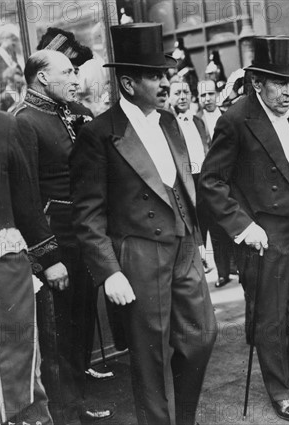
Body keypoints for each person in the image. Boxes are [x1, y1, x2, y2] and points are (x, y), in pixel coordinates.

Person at [70, 23, 217, 425]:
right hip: (139, 252)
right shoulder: (99, 135)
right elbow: (87, 214)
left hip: (184, 244)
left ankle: (180, 418)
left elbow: (184, 188)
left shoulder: (169, 121)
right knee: (151, 355)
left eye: (164, 73)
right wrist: (109, 271)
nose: (165, 82)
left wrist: (199, 243)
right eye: (155, 76)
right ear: (129, 83)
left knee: (201, 337)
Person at [199, 36, 289, 422]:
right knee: (271, 314)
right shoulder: (236, 119)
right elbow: (211, 181)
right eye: (280, 84)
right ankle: (279, 389)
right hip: (265, 229)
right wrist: (242, 226)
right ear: (257, 83)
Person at [14, 50, 112, 425]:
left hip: (85, 233)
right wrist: (48, 257)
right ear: (41, 78)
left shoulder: (71, 112)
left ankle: (78, 398)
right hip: (56, 240)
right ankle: (67, 410)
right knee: (61, 330)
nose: (76, 79)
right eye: (68, 72)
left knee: (82, 318)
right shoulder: (25, 122)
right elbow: (24, 196)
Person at [0, 105, 68, 425]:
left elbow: (27, 204)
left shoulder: (3, 126)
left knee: (17, 372)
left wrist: (49, 260)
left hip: (0, 273)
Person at [168, 79, 215, 278]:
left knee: (205, 225)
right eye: (177, 93)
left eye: (185, 92)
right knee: (190, 230)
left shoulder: (197, 121)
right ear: (170, 97)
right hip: (182, 183)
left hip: (202, 179)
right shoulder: (167, 123)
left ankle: (209, 265)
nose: (182, 97)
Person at [196, 79, 237, 282]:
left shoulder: (227, 116)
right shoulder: (196, 121)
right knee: (214, 225)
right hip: (209, 178)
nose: (208, 98)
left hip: (230, 176)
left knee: (232, 218)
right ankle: (223, 272)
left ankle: (235, 266)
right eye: (203, 95)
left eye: (210, 94)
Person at [0, 23, 23, 98]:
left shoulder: (12, 55)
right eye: (12, 39)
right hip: (3, 97)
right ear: (4, 39)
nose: (15, 43)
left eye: (15, 39)